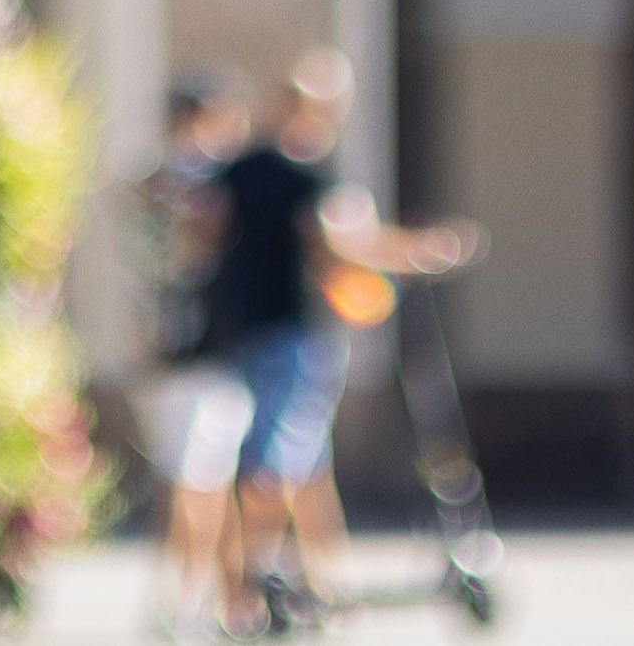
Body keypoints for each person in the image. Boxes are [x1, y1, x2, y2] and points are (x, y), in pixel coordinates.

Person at [197, 49, 480, 623]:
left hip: (242, 330)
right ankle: (252, 584)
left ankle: (321, 581)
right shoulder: (311, 173)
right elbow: (341, 244)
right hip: (294, 333)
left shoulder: (242, 167)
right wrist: (422, 254)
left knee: (302, 461)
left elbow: (204, 235)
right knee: (274, 459)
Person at [134, 73, 257, 642]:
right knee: (196, 476)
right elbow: (189, 253)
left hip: (198, 347)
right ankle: (189, 598)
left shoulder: (166, 181)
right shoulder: (190, 182)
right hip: (195, 348)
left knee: (207, 475)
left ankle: (230, 596)